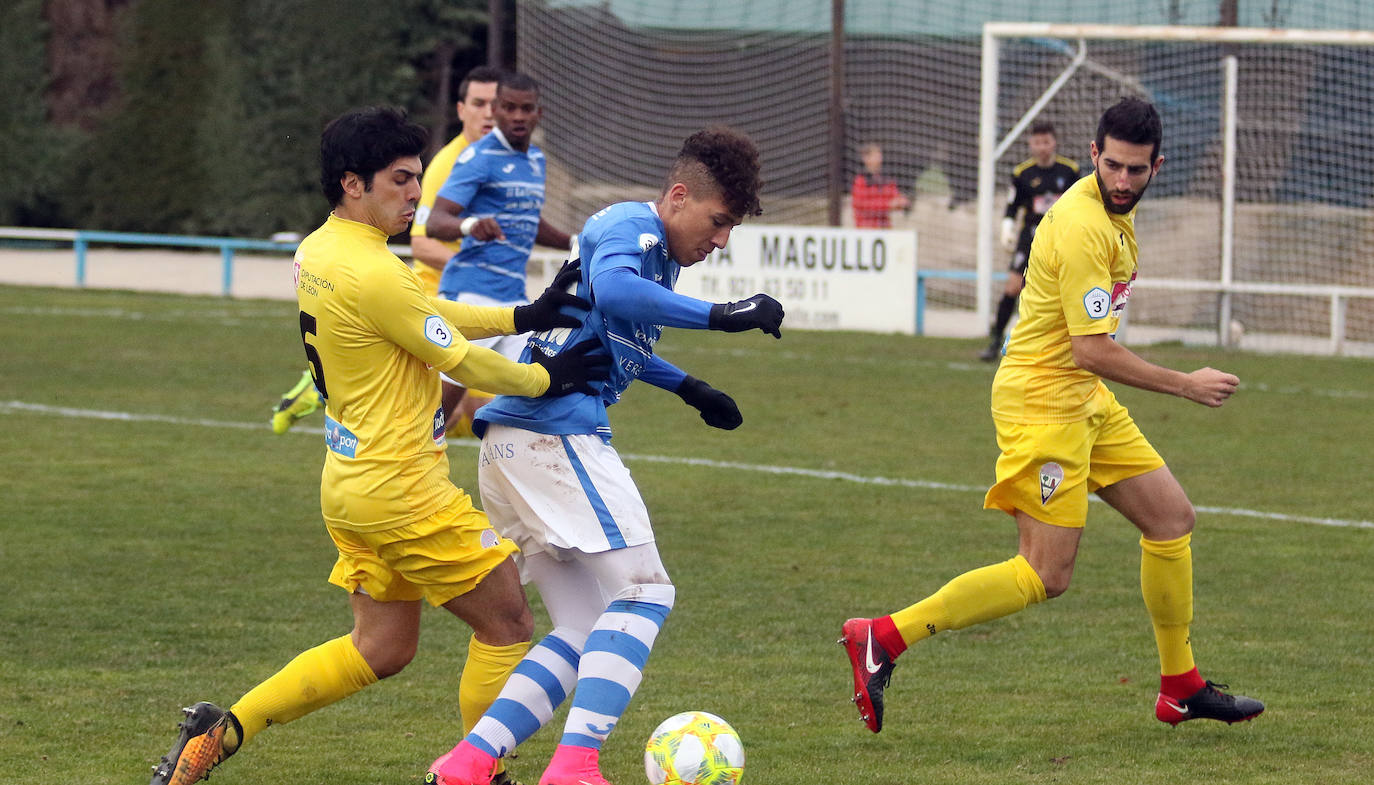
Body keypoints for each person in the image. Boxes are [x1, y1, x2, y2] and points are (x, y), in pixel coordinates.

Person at [149, 106, 608, 785]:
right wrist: (545, 374)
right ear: (352, 183)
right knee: (508, 624)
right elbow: (465, 362)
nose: (416, 194)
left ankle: (224, 727)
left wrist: (525, 314)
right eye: (400, 180)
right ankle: (476, 773)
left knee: (382, 646)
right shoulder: (377, 273)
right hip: (403, 490)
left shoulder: (319, 252)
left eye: (418, 178)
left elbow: (425, 318)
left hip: (349, 484)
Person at [840, 97, 1263, 734]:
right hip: (1043, 404)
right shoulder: (1085, 226)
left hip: (1085, 398)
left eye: (1136, 170)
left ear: (1157, 167)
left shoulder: (1114, 214)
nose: (1123, 180)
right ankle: (883, 636)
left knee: (1171, 519)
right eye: (1113, 166)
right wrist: (1183, 383)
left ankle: (1181, 685)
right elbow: (1090, 347)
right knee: (1044, 573)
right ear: (1093, 156)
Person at [424, 126, 783, 785]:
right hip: (552, 434)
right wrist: (724, 314)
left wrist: (691, 387)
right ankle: (573, 766)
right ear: (679, 196)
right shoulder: (627, 227)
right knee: (646, 593)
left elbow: (614, 335)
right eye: (719, 221)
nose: (721, 239)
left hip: (515, 442)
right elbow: (616, 295)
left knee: (586, 625)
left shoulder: (654, 256)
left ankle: (467, 763)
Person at [268, 66, 502, 435]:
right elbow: (422, 242)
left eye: (498, 103)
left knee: (472, 413)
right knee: (458, 416)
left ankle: (322, 387)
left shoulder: (508, 160)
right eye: (479, 103)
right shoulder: (450, 165)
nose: (491, 112)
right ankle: (318, 389)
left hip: (475, 300)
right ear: (460, 110)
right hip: (430, 296)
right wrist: (482, 267)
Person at [424, 70, 574, 438]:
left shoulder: (536, 161)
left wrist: (576, 242)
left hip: (512, 300)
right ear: (495, 109)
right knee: (444, 399)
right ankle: (409, 458)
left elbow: (527, 220)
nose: (518, 116)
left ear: (539, 112)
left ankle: (520, 472)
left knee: (535, 391)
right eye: (509, 107)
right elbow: (435, 221)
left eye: (526, 109)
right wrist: (467, 225)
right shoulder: (479, 157)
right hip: (472, 292)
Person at [980, 119, 1079, 361]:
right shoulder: (1022, 173)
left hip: (1062, 238)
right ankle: (995, 340)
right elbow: (1012, 207)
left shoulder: (1070, 171)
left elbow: (1080, 206)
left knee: (1065, 291)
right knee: (1013, 286)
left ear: (1054, 142)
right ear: (1030, 144)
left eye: (1046, 141)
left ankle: (1068, 344)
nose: (1042, 147)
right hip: (1031, 238)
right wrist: (1007, 228)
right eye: (1037, 142)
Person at [850, 142, 909, 228]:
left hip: (884, 229)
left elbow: (895, 196)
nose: (879, 159)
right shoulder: (860, 180)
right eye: (876, 156)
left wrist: (901, 202)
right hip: (866, 230)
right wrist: (887, 205)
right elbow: (861, 205)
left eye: (880, 155)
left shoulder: (886, 179)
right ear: (866, 159)